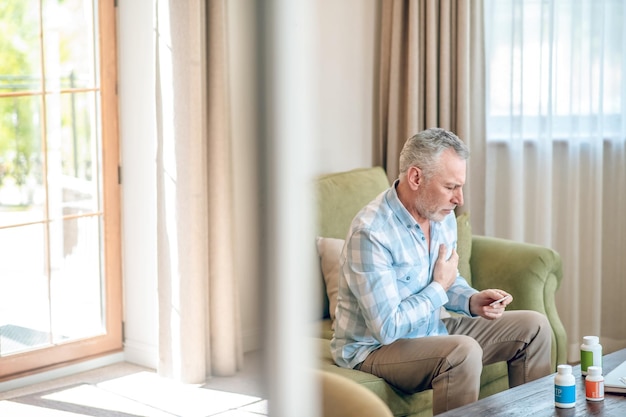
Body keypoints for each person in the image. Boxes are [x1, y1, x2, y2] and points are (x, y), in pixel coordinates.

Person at [330, 128, 552, 414]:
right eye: (450, 187)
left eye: (460, 187)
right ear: (415, 178)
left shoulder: (441, 215)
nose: (459, 198)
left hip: (430, 330)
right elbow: (387, 327)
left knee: (534, 327)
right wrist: (439, 288)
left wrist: (472, 301)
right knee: (463, 352)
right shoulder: (372, 233)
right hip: (374, 348)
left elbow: (448, 279)